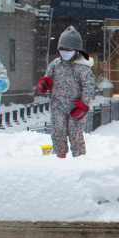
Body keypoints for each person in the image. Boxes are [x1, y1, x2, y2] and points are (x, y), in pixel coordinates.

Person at [37, 26, 96, 158]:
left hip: (76, 107)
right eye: (62, 49)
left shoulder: (83, 68)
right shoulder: (55, 64)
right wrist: (44, 84)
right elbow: (47, 79)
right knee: (58, 132)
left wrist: (83, 104)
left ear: (76, 50)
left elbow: (89, 87)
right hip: (58, 105)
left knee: (75, 134)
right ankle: (60, 157)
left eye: (68, 50)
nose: (65, 52)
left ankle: (79, 159)